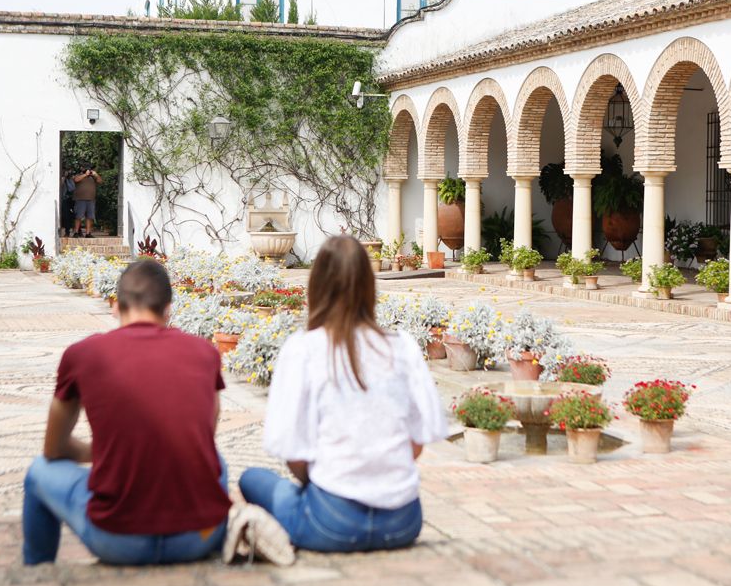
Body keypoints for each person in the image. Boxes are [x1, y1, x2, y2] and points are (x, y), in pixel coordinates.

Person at [238, 235, 447, 553]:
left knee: (253, 479)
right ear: (369, 286)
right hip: (402, 522)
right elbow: (416, 445)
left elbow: (293, 452)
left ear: (316, 286)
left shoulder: (304, 349)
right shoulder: (402, 346)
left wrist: (333, 482)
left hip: (332, 522)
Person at [22, 260, 230, 565]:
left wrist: (111, 453)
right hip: (198, 536)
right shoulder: (205, 352)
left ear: (116, 307)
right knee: (217, 460)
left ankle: (37, 574)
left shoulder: (83, 355)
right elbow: (202, 437)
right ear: (168, 309)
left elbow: (53, 449)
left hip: (118, 539)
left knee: (39, 471)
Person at [72, 163, 102, 238]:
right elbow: (76, 179)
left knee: (90, 217)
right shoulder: (78, 175)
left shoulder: (93, 177)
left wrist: (96, 175)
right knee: (78, 216)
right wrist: (85, 175)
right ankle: (76, 232)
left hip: (91, 199)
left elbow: (100, 181)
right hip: (80, 199)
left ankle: (88, 233)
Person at [60, 168, 75, 238]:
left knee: (70, 215)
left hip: (69, 199)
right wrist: (64, 178)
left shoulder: (70, 179)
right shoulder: (62, 178)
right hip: (63, 199)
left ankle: (70, 231)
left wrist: (68, 179)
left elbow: (72, 188)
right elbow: (61, 185)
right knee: (65, 216)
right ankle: (66, 231)